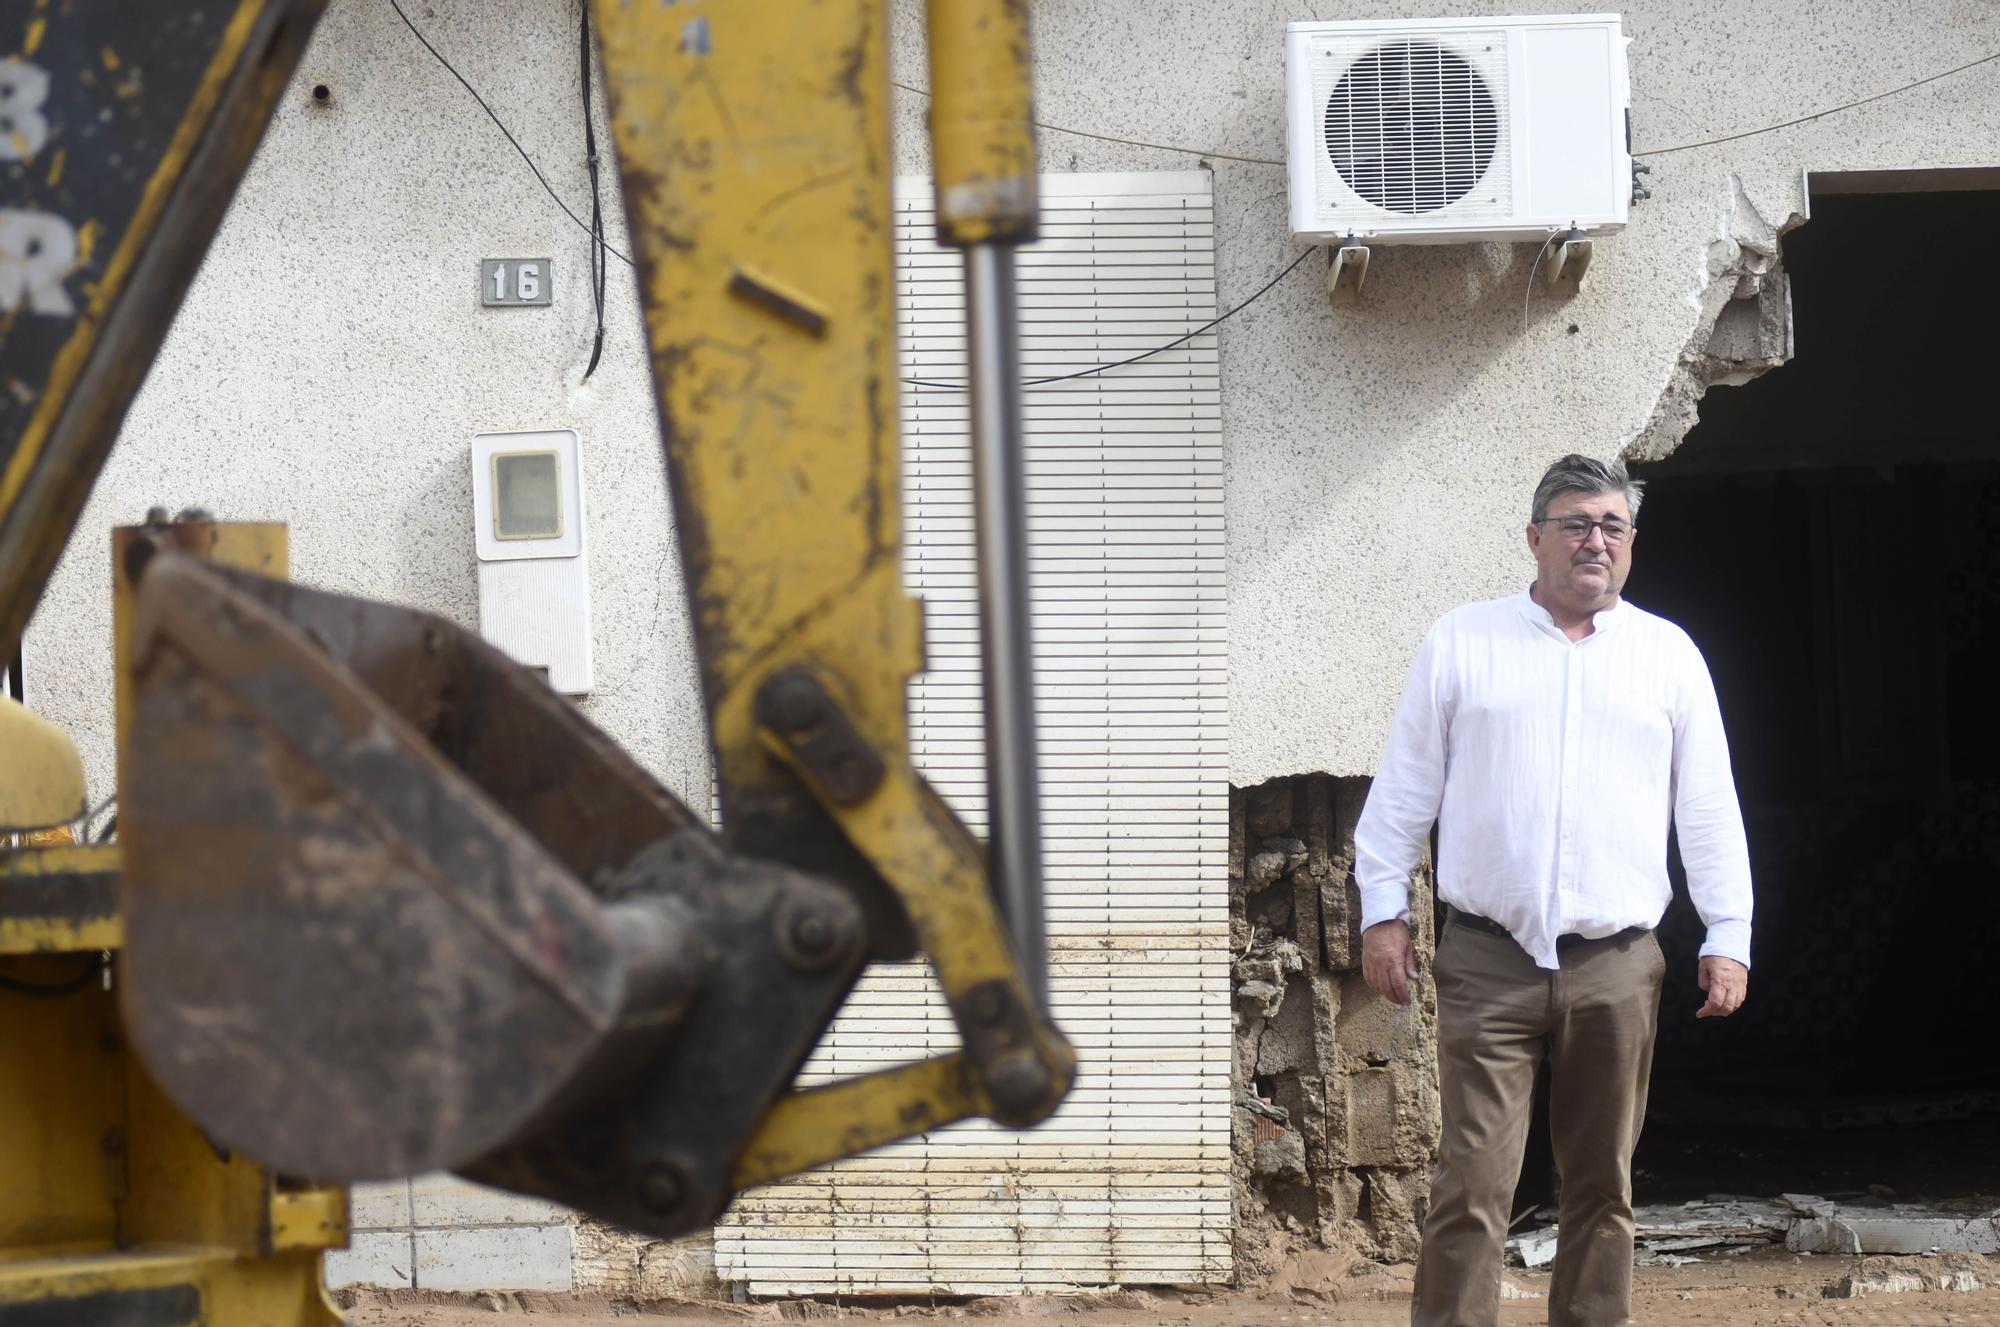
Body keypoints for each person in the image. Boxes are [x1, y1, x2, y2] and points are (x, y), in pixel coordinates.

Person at [1353, 454, 1753, 1327]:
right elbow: (1404, 791)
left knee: (1602, 1183)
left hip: (1616, 965)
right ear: (1534, 539)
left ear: (1633, 544)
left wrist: (1728, 931)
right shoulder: (1463, 640)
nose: (1595, 541)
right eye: (1575, 524)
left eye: (1612, 526)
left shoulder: (1667, 655)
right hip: (1488, 959)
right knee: (1471, 1180)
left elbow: (1709, 806)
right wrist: (1383, 910)